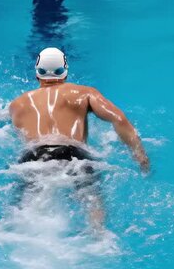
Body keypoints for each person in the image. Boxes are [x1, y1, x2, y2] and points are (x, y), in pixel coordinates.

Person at [9, 47, 150, 229]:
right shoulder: (84, 93)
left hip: (33, 156)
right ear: (65, 72)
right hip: (72, 153)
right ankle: (99, 236)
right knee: (93, 202)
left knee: (21, 209)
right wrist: (140, 154)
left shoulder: (17, 104)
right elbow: (118, 118)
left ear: (37, 74)